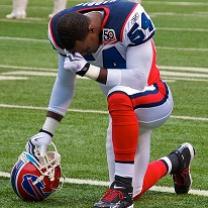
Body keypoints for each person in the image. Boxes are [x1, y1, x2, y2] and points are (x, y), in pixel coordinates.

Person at [25, 0, 195, 207]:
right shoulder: (63, 30)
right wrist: (46, 131)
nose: (84, 54)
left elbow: (138, 79)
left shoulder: (128, 19)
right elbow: (64, 83)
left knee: (118, 95)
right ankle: (176, 161)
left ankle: (121, 191)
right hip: (123, 118)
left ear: (92, 29)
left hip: (154, 98)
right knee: (136, 188)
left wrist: (89, 70)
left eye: (86, 48)